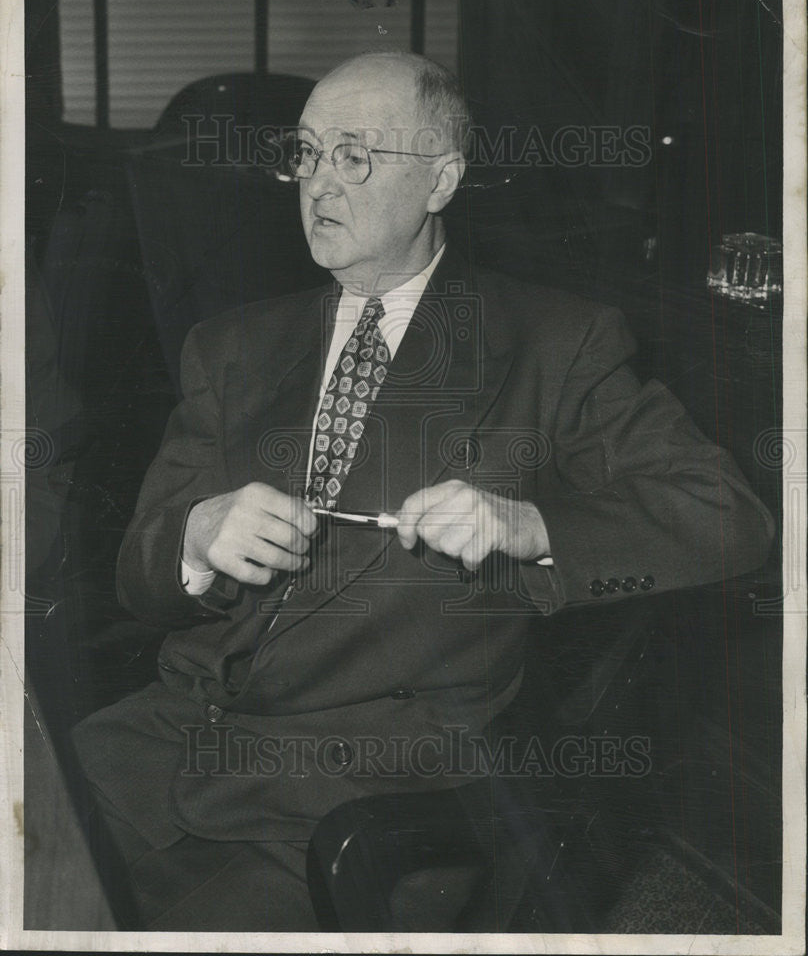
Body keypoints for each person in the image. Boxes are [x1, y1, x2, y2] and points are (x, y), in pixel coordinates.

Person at [72, 51, 774, 931]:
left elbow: (731, 520)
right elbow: (134, 578)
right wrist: (191, 540)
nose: (320, 183)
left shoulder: (553, 342)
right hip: (151, 746)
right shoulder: (232, 345)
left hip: (348, 797)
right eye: (307, 152)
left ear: (442, 179)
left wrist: (531, 524)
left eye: (357, 154)